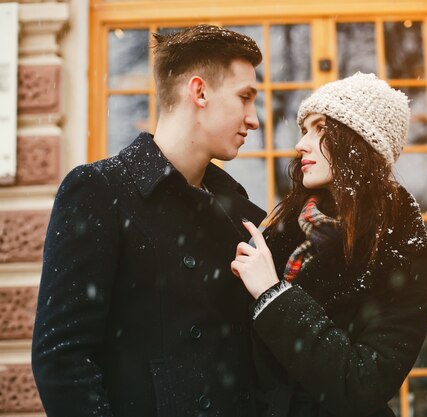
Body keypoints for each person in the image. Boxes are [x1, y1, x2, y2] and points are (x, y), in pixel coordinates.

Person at [31, 25, 266, 417]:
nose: (254, 119)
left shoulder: (235, 210)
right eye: (244, 98)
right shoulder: (98, 191)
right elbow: (61, 359)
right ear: (199, 92)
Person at [230, 72, 427, 417]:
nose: (301, 145)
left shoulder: (406, 257)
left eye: (321, 129)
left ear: (359, 143)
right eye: (304, 130)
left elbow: (360, 384)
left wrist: (274, 296)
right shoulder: (283, 233)